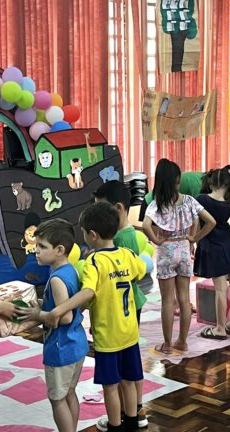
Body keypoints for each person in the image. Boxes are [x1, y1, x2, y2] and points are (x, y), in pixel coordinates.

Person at [42, 202, 147, 432]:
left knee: (110, 386)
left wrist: (57, 311)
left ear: (92, 235)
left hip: (109, 336)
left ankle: (115, 425)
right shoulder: (128, 254)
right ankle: (132, 423)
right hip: (130, 332)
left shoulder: (93, 262)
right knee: (129, 381)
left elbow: (88, 292)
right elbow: (141, 270)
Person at [16, 220, 87, 432]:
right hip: (76, 343)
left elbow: (63, 317)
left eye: (42, 247)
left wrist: (37, 314)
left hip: (61, 346)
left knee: (57, 399)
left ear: (59, 250)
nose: (36, 251)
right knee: (70, 393)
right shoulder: (70, 270)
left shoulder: (56, 279)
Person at [143, 159, 216, 354]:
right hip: (184, 248)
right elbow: (211, 221)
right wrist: (194, 238)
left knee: (168, 300)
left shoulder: (157, 203)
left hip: (166, 251)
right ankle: (182, 341)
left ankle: (167, 345)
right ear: (178, 180)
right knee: (184, 299)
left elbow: (145, 225)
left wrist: (156, 241)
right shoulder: (189, 201)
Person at [92, 181, 149, 430]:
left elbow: (131, 274)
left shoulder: (121, 240)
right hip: (128, 306)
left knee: (124, 369)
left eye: (102, 212)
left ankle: (133, 412)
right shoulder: (126, 235)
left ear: (118, 208)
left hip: (121, 310)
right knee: (130, 364)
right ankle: (135, 412)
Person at [195, 167, 230, 340]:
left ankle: (219, 328)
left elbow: (196, 225)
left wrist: (194, 240)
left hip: (214, 247)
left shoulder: (201, 199)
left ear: (211, 182)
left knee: (220, 288)